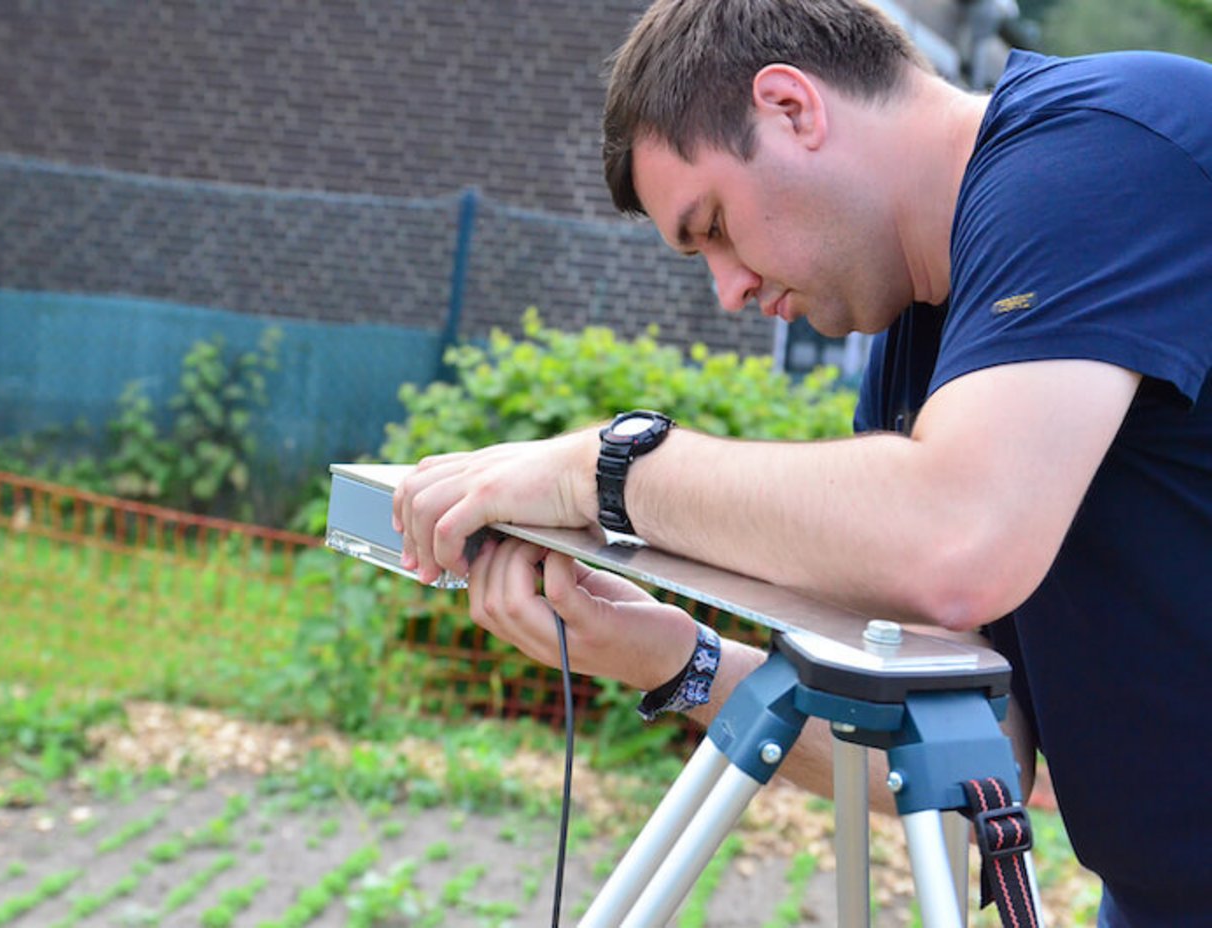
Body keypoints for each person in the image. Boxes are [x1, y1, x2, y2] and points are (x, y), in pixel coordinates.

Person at [393, 1, 1212, 924]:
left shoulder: (1109, 147)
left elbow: (960, 536)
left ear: (791, 108)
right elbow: (974, 744)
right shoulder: (918, 353)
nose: (730, 289)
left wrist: (606, 468)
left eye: (715, 227)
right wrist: (669, 655)